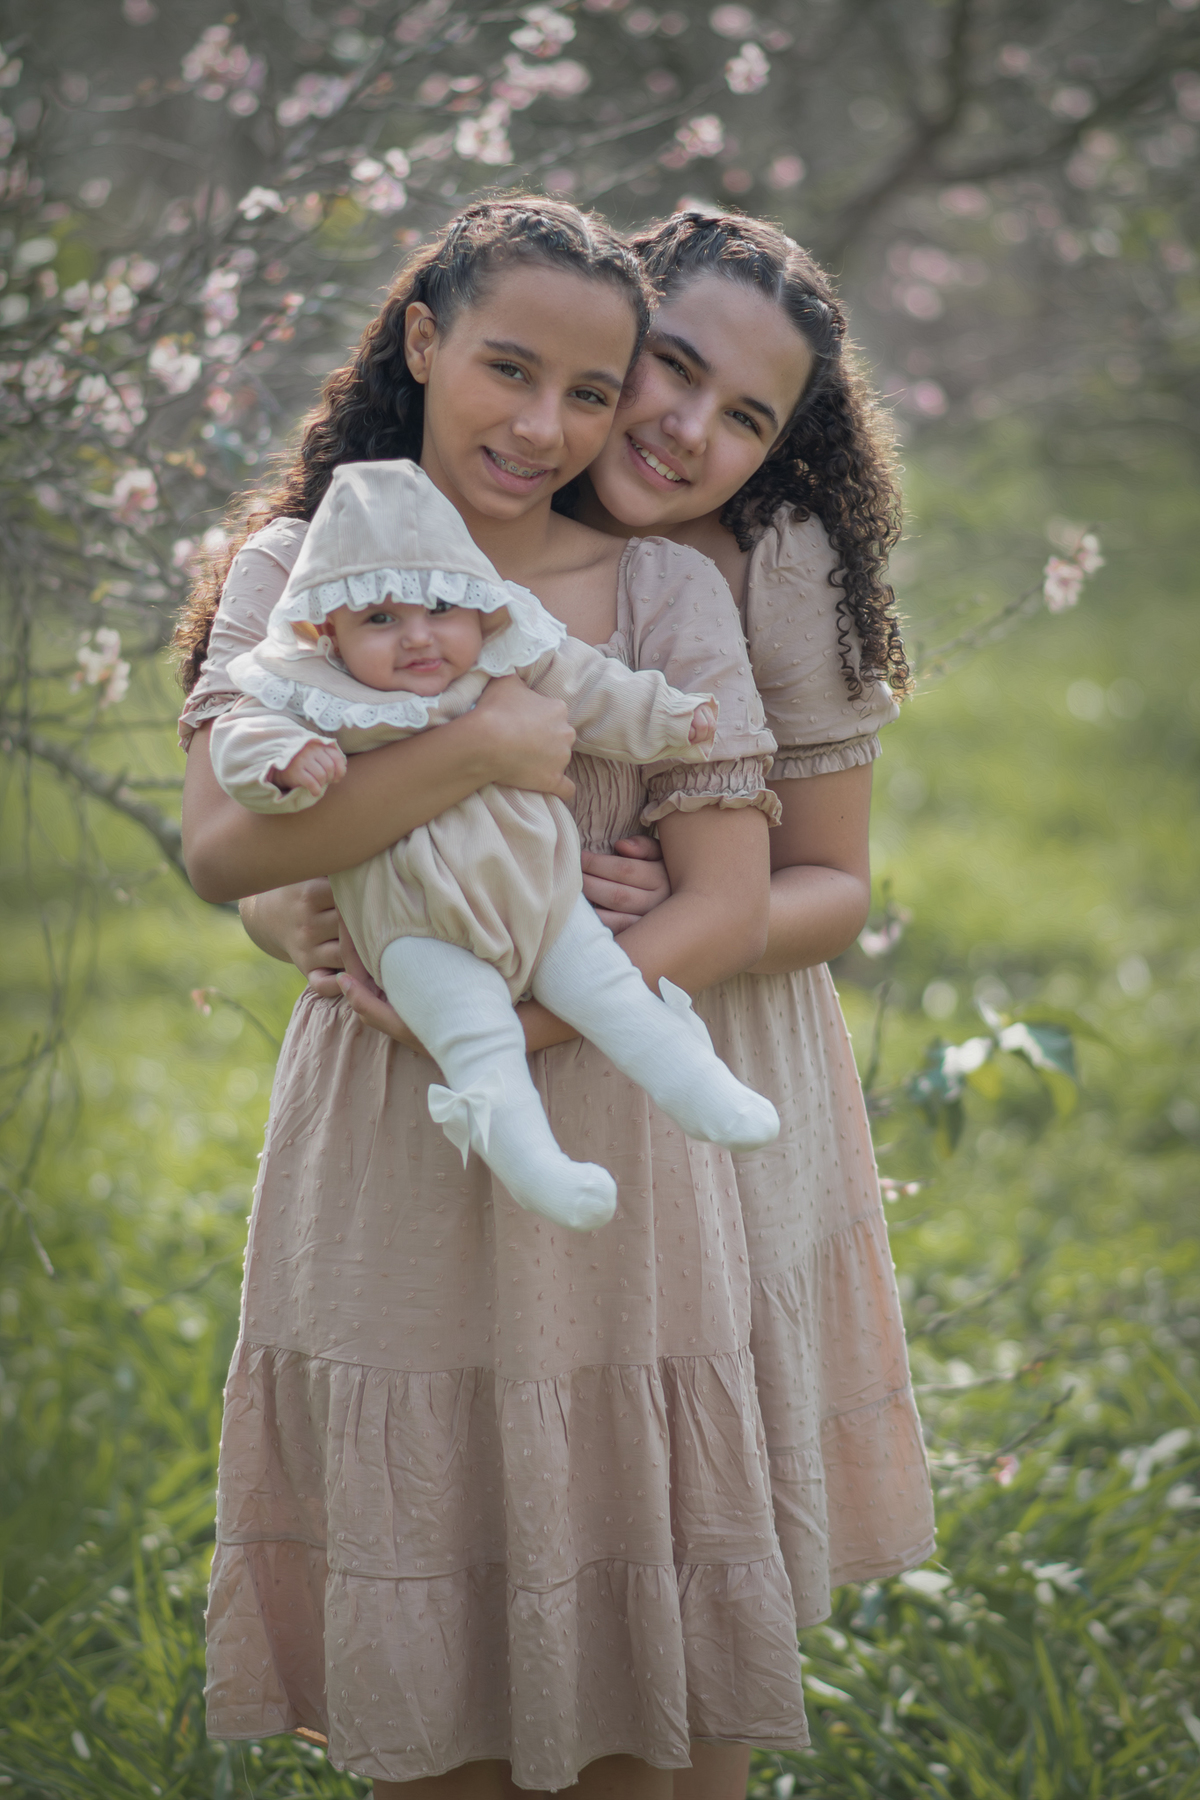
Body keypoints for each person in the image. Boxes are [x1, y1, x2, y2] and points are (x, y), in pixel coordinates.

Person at [176, 198, 807, 1797]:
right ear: (421, 340)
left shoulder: (656, 590)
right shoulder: (289, 570)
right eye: (508, 371)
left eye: (588, 395)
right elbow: (222, 853)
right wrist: (474, 752)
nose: (543, 427)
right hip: (389, 1149)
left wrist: (522, 1026)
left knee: (659, 1681)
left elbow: (731, 895)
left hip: (617, 1148)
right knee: (434, 1668)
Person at [305, 210, 937, 1631]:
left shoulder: (771, 564)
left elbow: (833, 883)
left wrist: (688, 912)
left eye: (747, 418)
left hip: (695, 1039)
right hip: (457, 1050)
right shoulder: (452, 537)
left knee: (661, 1479)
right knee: (480, 1466)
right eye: (671, 369)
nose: (689, 429)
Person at [209, 457, 778, 1232]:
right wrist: (283, 764)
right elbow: (241, 738)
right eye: (380, 619)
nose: (417, 638)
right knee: (478, 1036)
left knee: (609, 989)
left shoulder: (507, 653)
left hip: (541, 895)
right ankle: (529, 1159)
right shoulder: (320, 692)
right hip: (416, 927)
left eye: (440, 606)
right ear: (329, 631)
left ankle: (699, 1087)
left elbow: (597, 691)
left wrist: (673, 719)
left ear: (478, 602)